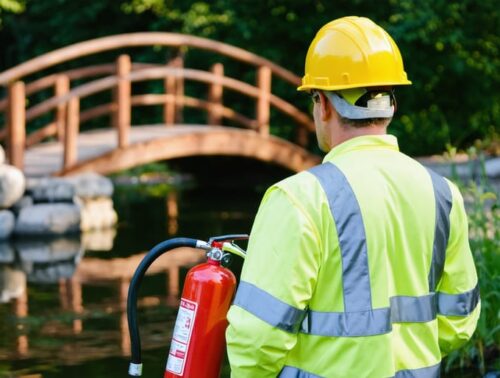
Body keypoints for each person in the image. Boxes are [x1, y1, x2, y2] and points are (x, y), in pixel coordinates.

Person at [225, 16, 480, 378]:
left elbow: (255, 339)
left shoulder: (299, 198)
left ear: (323, 104)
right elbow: (459, 323)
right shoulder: (442, 194)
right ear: (391, 103)